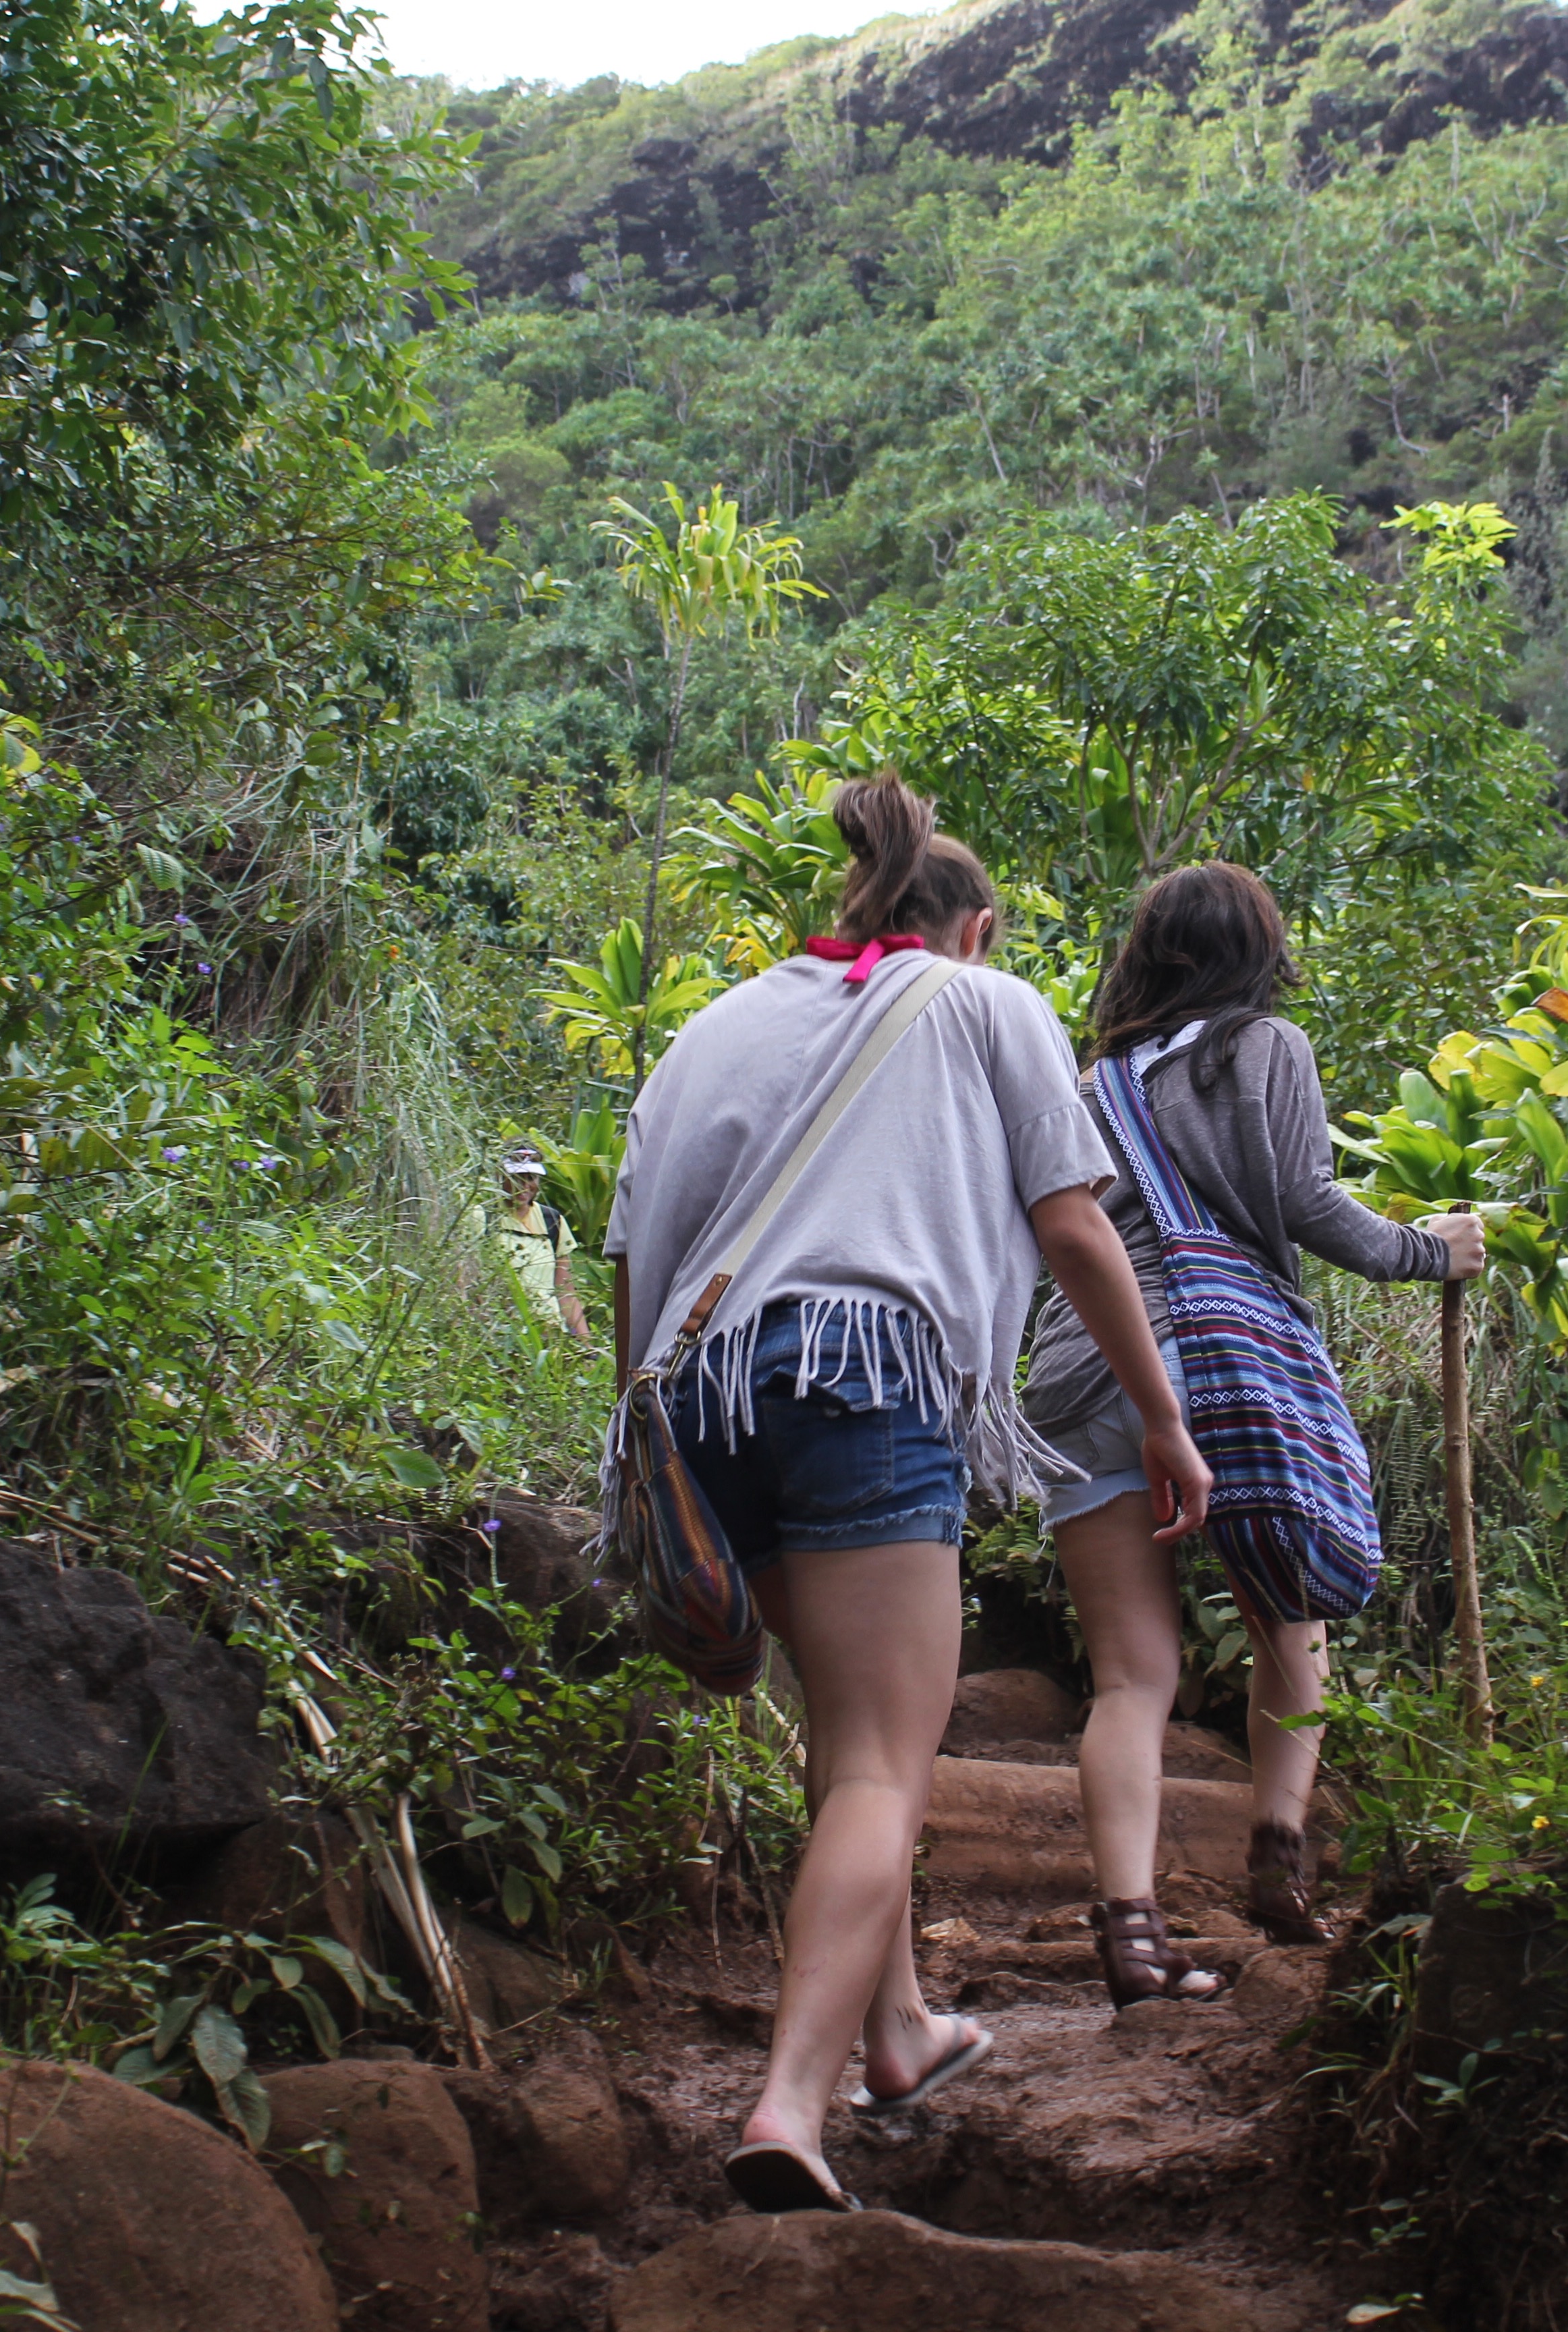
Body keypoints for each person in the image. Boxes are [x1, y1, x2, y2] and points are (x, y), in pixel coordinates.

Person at [605, 775, 1209, 2215]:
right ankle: (788, 2107)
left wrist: (645, 1459)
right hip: (864, 1371)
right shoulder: (985, 1003)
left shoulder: (712, 1027)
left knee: (841, 1744)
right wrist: (1160, 1417)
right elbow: (1073, 1227)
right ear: (974, 927)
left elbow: (632, 1261)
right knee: (884, 1763)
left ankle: (899, 2031)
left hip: (699, 1404)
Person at [1024, 862, 1486, 2000]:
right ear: (1257, 953)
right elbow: (1305, 1199)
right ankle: (1277, 1854)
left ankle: (1131, 1933)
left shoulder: (1086, 1084)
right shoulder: (1261, 1046)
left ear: (1145, 957)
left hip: (1081, 1374)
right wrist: (1428, 1251)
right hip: (1219, 1362)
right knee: (1292, 1611)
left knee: (1128, 1677)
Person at [493, 1145, 592, 1341]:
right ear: (501, 1176)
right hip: (502, 1335)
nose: (524, 1185)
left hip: (549, 1335)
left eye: (531, 1178)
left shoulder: (552, 1221)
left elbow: (565, 1292)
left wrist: (587, 1347)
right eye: (517, 1177)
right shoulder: (485, 1217)